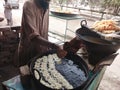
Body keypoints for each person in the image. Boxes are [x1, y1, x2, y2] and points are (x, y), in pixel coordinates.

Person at [14, 0, 67, 75]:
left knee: (40, 77)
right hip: (28, 51)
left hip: (40, 52)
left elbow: (44, 32)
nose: (49, 1)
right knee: (26, 77)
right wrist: (53, 45)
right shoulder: (29, 5)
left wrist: (48, 49)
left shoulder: (46, 6)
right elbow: (33, 36)